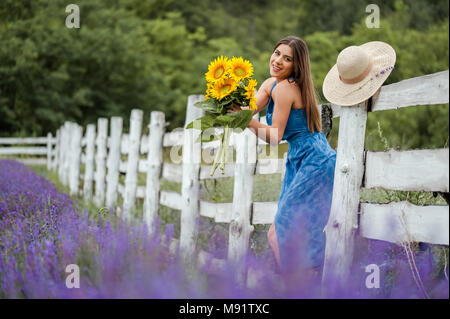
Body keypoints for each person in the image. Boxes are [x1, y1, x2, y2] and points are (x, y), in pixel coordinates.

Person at [227, 36, 336, 281]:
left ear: (296, 67)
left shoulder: (287, 88)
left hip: (316, 159)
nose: (278, 61)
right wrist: (227, 102)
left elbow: (275, 136)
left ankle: (304, 286)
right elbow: (249, 108)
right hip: (299, 156)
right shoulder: (271, 83)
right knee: (276, 233)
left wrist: (245, 121)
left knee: (290, 228)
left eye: (287, 59)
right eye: (277, 53)